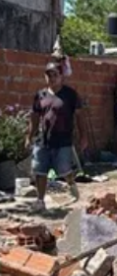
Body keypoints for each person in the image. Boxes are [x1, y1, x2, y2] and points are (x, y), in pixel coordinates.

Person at [26, 60, 88, 212]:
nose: (52, 78)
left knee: (64, 170)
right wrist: (29, 136)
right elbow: (34, 117)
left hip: (64, 140)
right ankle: (40, 201)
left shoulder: (70, 95)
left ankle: (71, 184)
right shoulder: (40, 95)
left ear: (61, 76)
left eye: (55, 74)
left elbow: (80, 117)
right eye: (49, 75)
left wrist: (83, 136)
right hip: (43, 140)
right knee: (40, 171)